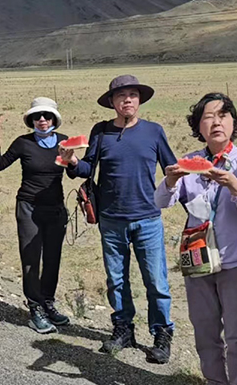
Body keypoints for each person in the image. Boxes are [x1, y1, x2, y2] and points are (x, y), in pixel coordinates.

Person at [60, 74, 177, 364]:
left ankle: (161, 334)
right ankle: (123, 329)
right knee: (116, 280)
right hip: (111, 220)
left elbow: (171, 169)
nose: (127, 100)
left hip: (148, 218)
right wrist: (72, 161)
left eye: (133, 95)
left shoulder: (154, 132)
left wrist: (181, 180)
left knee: (156, 281)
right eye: (121, 95)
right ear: (112, 101)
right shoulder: (101, 132)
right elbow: (88, 168)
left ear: (139, 100)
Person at [155, 93, 237, 385]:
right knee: (205, 335)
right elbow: (161, 202)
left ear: (233, 123)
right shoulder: (189, 163)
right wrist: (170, 180)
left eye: (223, 115)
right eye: (208, 117)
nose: (216, 122)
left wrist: (234, 185)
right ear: (199, 127)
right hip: (198, 260)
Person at [0, 97, 70, 334]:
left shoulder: (64, 142)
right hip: (28, 208)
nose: (42, 119)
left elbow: (75, 172)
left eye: (47, 116)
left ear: (54, 119)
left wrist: (73, 160)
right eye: (37, 116)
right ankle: (35, 308)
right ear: (31, 120)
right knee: (31, 258)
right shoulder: (23, 143)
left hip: (56, 208)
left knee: (53, 258)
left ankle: (48, 303)